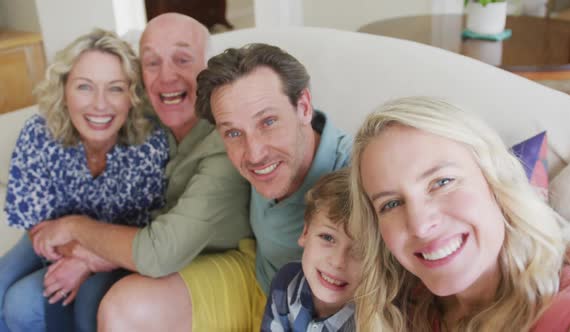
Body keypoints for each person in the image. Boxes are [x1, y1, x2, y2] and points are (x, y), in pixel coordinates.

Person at [30, 13, 252, 332]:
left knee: (92, 298)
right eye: (152, 63)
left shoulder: (226, 139)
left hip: (216, 258)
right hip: (147, 249)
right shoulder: (145, 115)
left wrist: (75, 230)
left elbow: (160, 250)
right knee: (39, 296)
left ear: (209, 67)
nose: (166, 77)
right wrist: (87, 255)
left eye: (182, 59)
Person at [348, 96, 570, 331]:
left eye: (442, 182)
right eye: (391, 204)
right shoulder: (404, 304)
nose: (420, 225)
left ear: (495, 181)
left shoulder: (564, 306)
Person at [0, 29, 169, 332]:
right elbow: (38, 225)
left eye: (115, 88)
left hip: (121, 252)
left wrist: (89, 262)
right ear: (64, 89)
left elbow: (148, 241)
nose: (100, 105)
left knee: (22, 304)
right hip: (50, 237)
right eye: (85, 87)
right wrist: (80, 255)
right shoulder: (39, 133)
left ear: (132, 96)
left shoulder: (150, 145)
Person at [193, 42, 352, 330]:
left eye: (268, 122)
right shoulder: (263, 158)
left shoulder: (354, 178)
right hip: (260, 280)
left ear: (303, 107)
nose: (254, 154)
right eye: (233, 132)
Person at [261, 169, 360, 331]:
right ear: (305, 232)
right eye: (327, 237)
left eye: (360, 250)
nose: (337, 262)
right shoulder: (286, 283)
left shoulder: (373, 320)